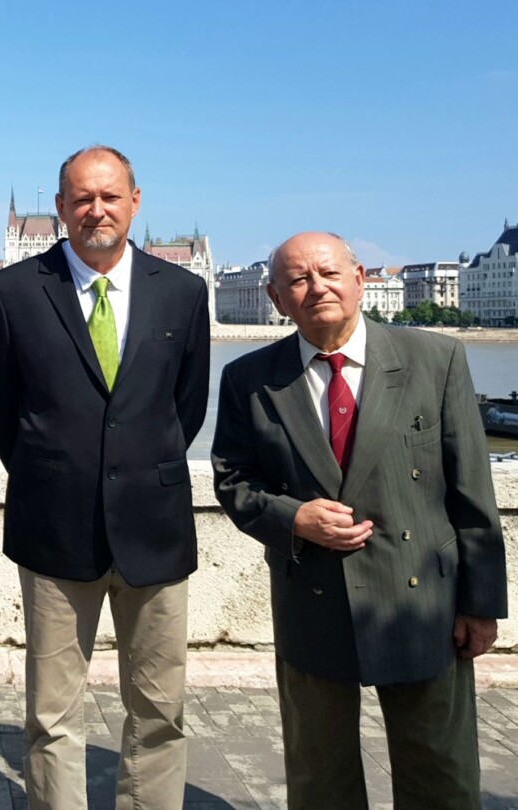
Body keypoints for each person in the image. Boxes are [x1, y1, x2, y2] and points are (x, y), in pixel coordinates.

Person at [211, 231, 507, 809]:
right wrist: (294, 517)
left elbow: (473, 491)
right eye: (298, 280)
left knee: (440, 775)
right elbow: (233, 478)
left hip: (422, 602)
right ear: (276, 298)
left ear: (360, 278)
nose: (316, 288)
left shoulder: (435, 359)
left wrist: (482, 604)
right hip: (313, 597)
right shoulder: (250, 378)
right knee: (320, 778)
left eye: (328, 273)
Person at [0, 145, 210, 809]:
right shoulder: (14, 291)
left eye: (109, 196)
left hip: (154, 528)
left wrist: (141, 469)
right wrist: (54, 473)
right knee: (52, 715)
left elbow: (186, 407)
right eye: (82, 198)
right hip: (53, 529)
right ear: (60, 207)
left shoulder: (183, 292)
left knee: (160, 710)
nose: (96, 210)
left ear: (135, 202)